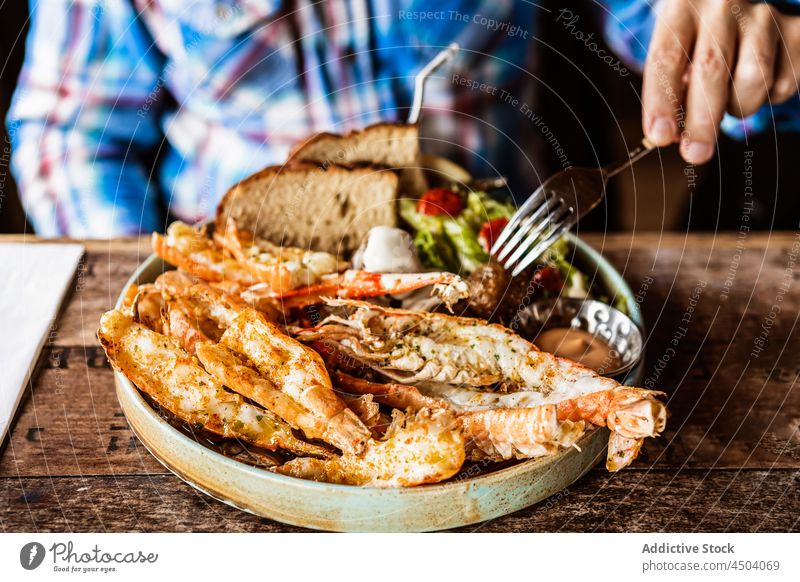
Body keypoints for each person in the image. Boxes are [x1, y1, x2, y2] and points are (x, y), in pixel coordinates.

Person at [7, 0, 800, 237]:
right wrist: (151, 272)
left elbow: (661, 22)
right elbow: (74, 134)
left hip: (506, 236)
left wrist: (730, 42)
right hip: (232, 247)